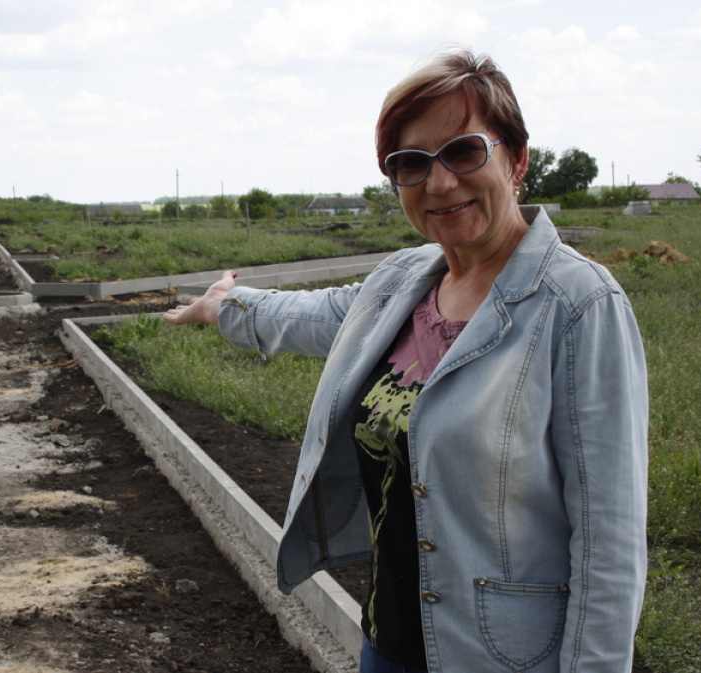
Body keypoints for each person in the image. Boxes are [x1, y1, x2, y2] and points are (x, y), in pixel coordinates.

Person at [163, 48, 648, 673]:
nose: (439, 182)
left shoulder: (578, 306)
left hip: (499, 658)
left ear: (517, 159)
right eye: (412, 163)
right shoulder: (404, 283)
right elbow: (318, 317)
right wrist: (226, 305)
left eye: (464, 151)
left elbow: (609, 542)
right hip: (387, 643)